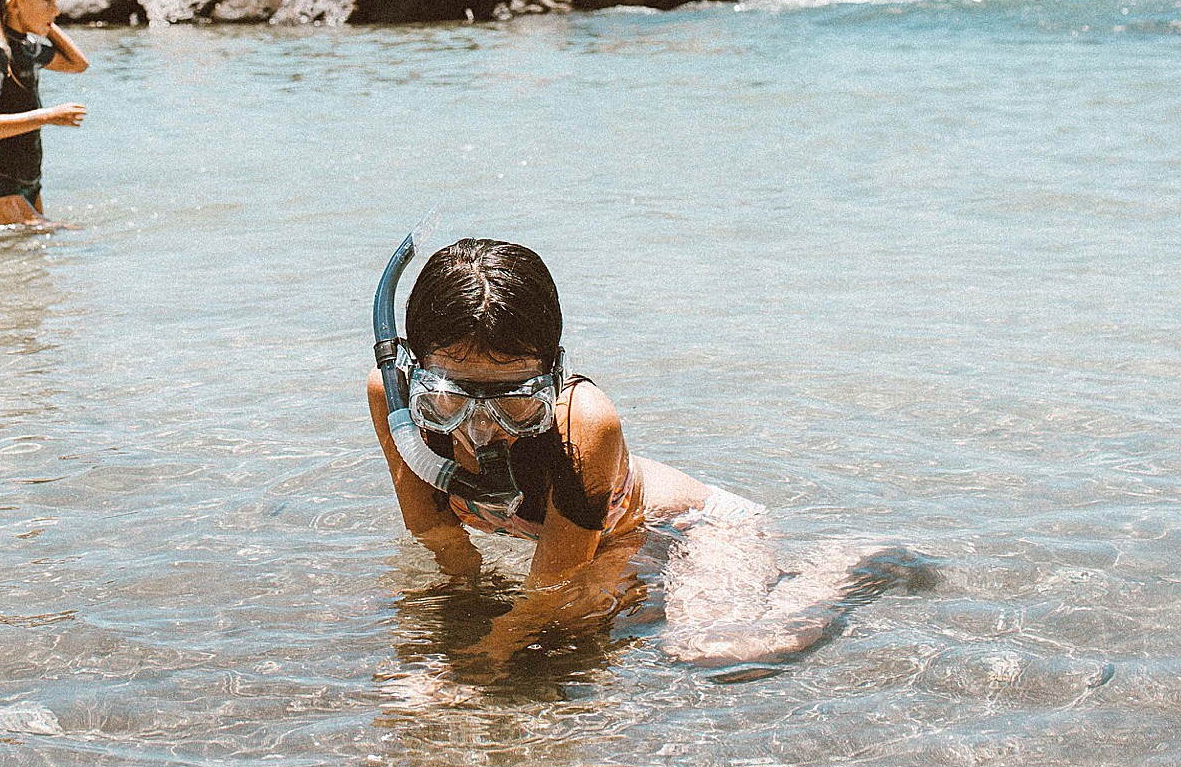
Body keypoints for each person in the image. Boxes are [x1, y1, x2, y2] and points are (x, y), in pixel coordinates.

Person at [369, 235, 900, 673]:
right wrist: (452, 628)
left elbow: (554, 582)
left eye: (515, 401)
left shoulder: (586, 423)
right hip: (606, 542)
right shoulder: (390, 400)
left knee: (720, 651)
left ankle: (847, 563)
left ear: (553, 376)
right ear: (413, 372)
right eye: (451, 398)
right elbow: (437, 534)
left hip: (690, 527)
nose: (481, 428)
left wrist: (477, 658)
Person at [0, 0, 88, 225]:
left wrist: (46, 25)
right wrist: (47, 116)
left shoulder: (28, 48)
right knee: (65, 239)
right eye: (47, 0)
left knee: (31, 265)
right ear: (14, 4)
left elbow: (78, 64)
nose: (55, 10)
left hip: (29, 183)